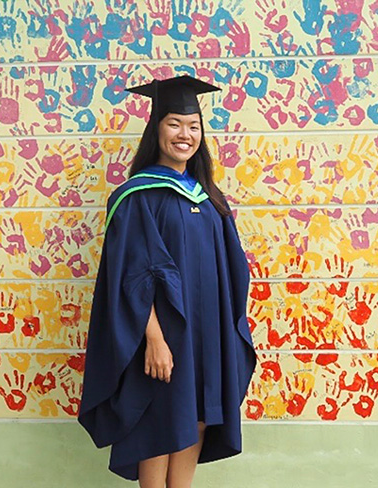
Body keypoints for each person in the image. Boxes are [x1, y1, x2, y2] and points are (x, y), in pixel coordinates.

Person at [78, 75, 257, 487]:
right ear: (157, 128)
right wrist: (154, 339)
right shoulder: (138, 196)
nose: (185, 134)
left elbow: (229, 269)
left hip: (206, 334)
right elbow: (132, 275)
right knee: (159, 426)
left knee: (195, 421)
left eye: (193, 126)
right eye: (175, 123)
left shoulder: (209, 197)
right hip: (164, 337)